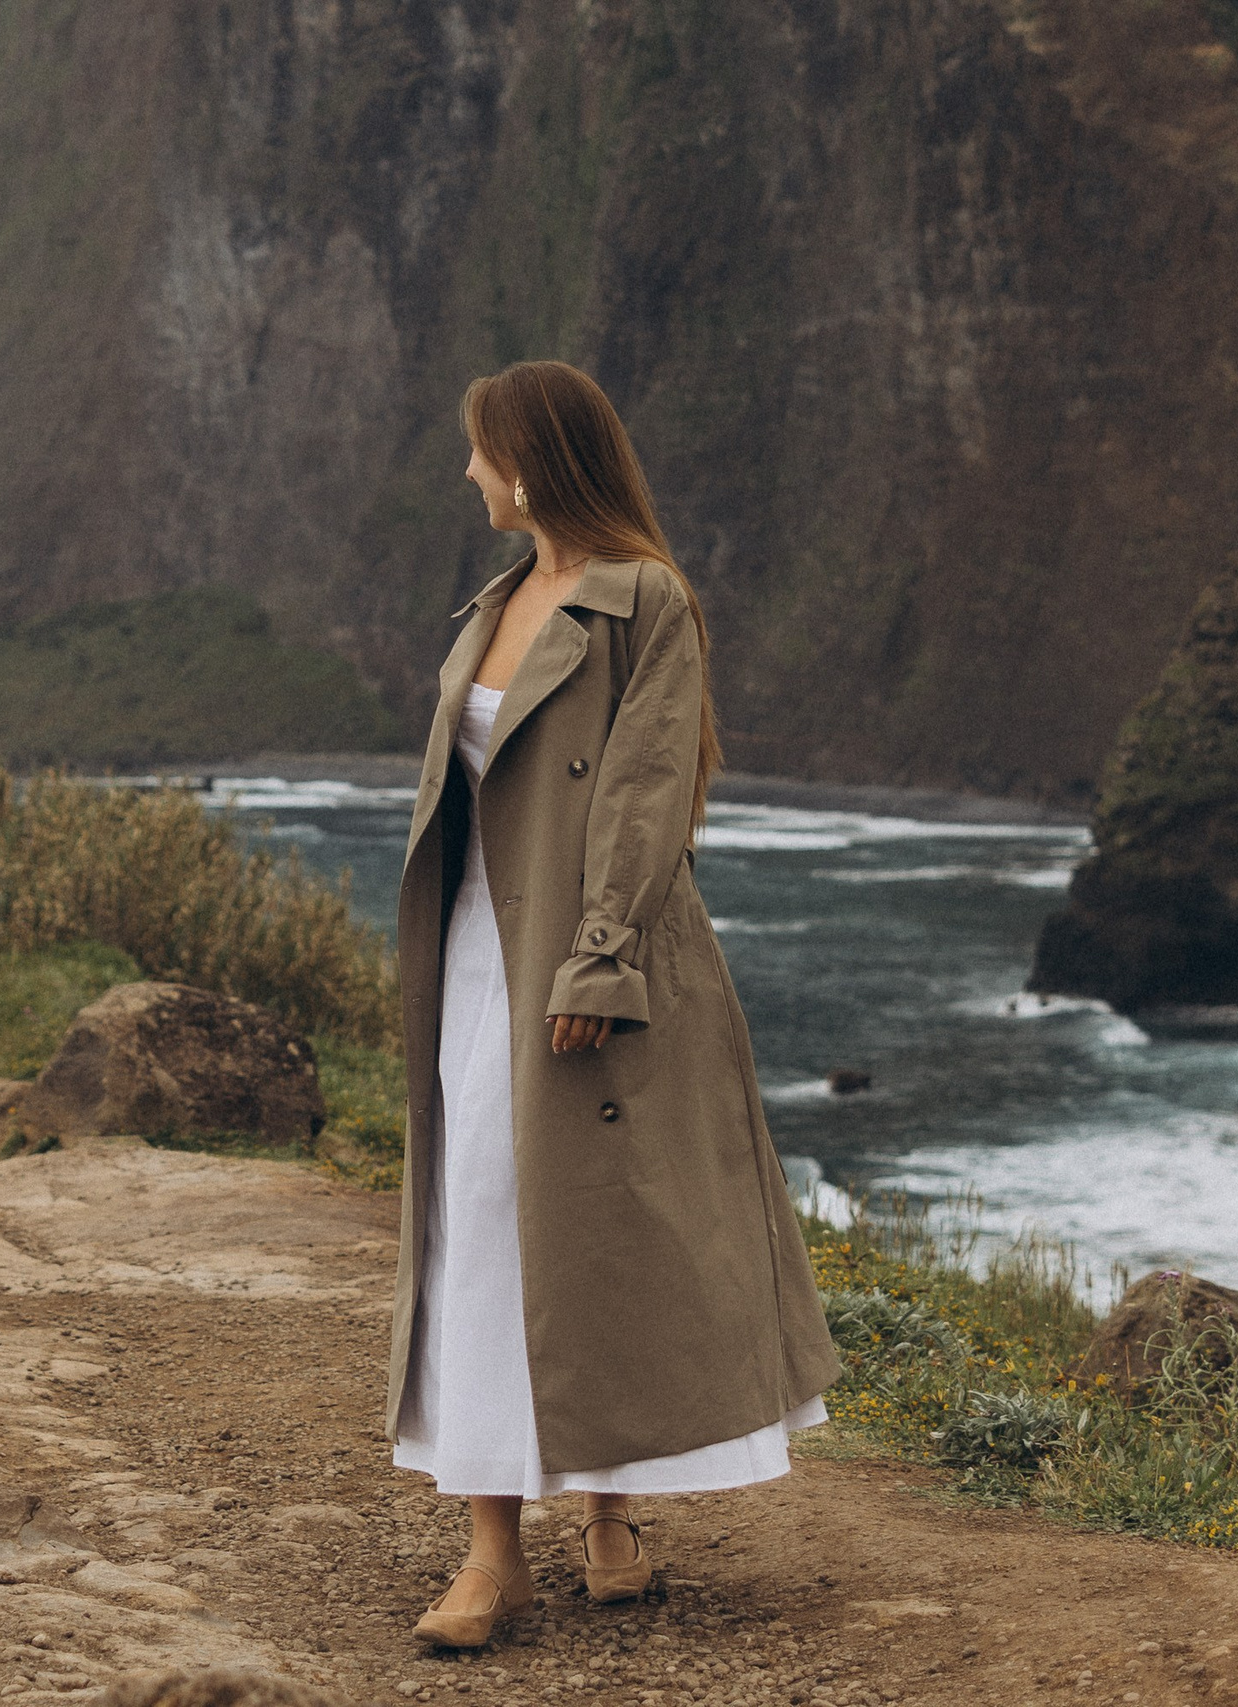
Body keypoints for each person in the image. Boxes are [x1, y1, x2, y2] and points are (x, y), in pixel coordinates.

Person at [385, 362, 840, 1647]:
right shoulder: (494, 601)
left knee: (589, 1236)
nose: (465, 472)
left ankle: (605, 1509)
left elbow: (646, 793)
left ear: (529, 461)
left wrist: (597, 958)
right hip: (475, 954)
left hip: (594, 957)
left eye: (478, 450)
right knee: (475, 1226)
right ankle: (495, 1551)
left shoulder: (645, 602)